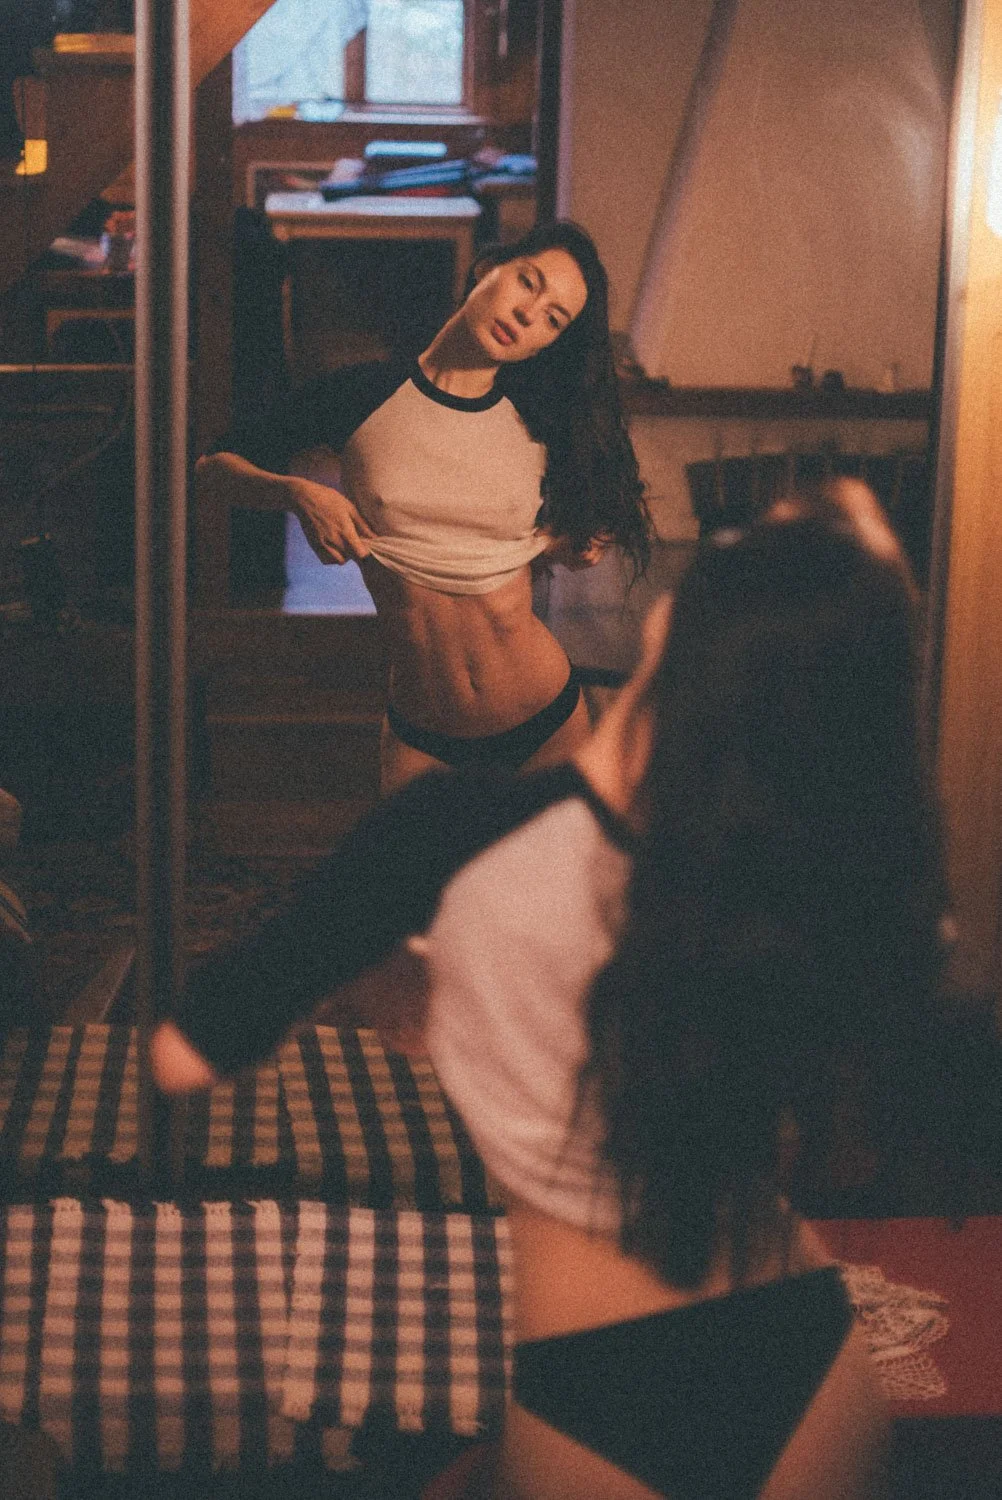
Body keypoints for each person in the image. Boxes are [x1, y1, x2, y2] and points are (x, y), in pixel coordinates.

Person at [153, 480, 948, 1498]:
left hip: (601, 1389)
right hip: (805, 1351)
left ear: (669, 623)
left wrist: (375, 972)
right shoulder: (798, 873)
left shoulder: (448, 835)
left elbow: (183, 1055)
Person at [197, 219, 652, 792]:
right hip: (422, 734)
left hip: (544, 720)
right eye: (527, 282)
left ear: (549, 342)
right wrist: (299, 494)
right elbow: (212, 469)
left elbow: (595, 520)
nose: (527, 314)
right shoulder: (362, 394)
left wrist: (579, 542)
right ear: (488, 268)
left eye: (553, 319)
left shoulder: (541, 420)